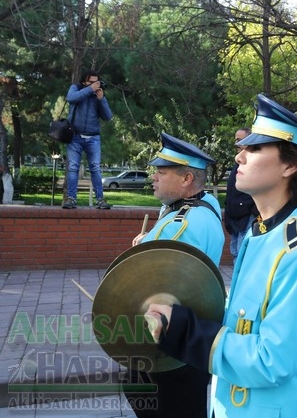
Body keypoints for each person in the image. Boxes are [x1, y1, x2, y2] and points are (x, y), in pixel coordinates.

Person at [143, 93, 297, 417]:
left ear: (290, 164)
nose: (240, 156)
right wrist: (179, 313)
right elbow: (244, 319)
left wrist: (188, 333)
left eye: (254, 148)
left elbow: (272, 360)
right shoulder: (262, 231)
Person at [124, 132, 225, 418]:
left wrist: (152, 243)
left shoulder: (180, 226)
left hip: (167, 344)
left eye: (161, 171)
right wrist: (151, 238)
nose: (153, 176)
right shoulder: (205, 206)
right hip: (193, 336)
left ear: (186, 180)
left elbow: (152, 287)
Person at [63, 70, 113, 209]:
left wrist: (101, 99)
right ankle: (71, 199)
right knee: (73, 168)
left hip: (93, 137)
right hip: (75, 136)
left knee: (95, 168)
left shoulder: (97, 95)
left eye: (96, 82)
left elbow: (108, 117)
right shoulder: (76, 88)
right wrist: (89, 89)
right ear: (84, 82)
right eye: (91, 82)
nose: (95, 85)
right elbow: (70, 98)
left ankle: (100, 200)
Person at [224, 127, 259, 266]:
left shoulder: (253, 164)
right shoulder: (238, 162)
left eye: (240, 140)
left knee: (242, 255)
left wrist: (252, 212)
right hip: (234, 219)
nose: (237, 144)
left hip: (247, 218)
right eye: (236, 140)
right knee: (235, 253)